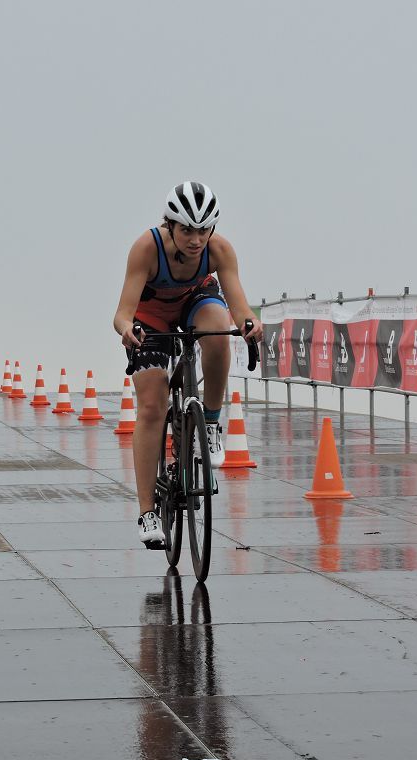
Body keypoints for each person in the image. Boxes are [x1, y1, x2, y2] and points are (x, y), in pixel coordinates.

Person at [113, 181, 262, 547]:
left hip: (196, 302)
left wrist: (249, 323)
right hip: (149, 319)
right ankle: (148, 511)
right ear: (170, 225)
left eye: (203, 230)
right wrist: (127, 330)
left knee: (217, 326)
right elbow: (122, 314)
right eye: (187, 230)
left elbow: (239, 304)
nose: (196, 239)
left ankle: (210, 422)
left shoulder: (219, 250)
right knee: (151, 405)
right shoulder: (146, 248)